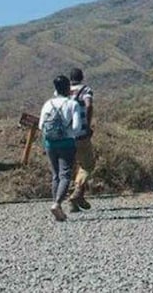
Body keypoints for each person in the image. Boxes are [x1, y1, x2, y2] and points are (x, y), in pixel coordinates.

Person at [38, 74, 84, 222]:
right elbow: (77, 127)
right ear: (68, 88)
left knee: (55, 175)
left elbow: (41, 126)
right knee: (65, 174)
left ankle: (56, 205)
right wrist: (70, 133)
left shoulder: (47, 104)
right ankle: (57, 204)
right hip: (67, 144)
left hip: (50, 143)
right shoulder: (72, 104)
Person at [68, 68, 95, 212]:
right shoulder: (85, 90)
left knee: (74, 167)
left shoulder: (63, 91)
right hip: (81, 134)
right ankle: (77, 193)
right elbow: (89, 105)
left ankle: (76, 200)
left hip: (65, 136)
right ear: (82, 77)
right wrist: (88, 125)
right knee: (88, 165)